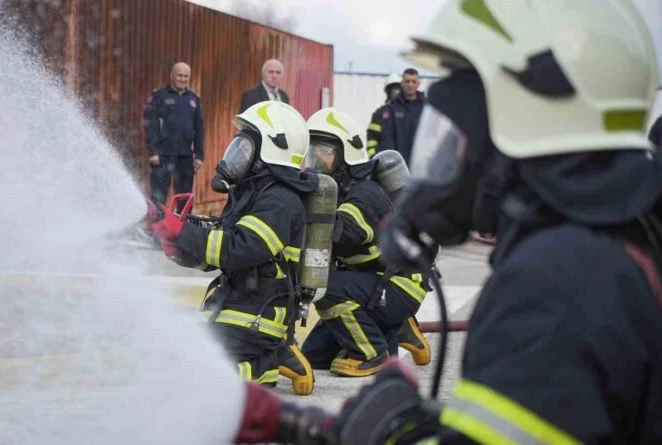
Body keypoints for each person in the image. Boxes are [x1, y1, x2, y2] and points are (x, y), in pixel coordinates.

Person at [228, 1, 662, 444]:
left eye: (459, 126)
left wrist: (388, 432)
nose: (450, 151)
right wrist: (309, 428)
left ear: (523, 126)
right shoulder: (615, 243)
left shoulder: (555, 284)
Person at [146, 101, 321, 392]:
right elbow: (220, 252)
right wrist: (178, 246)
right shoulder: (253, 194)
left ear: (269, 150)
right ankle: (272, 354)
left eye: (244, 146)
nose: (236, 152)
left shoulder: (280, 201)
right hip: (235, 304)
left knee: (192, 374)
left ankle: (264, 366)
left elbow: (238, 248)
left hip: (258, 314)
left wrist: (179, 231)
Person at [298, 107, 432, 377]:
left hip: (398, 285)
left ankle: (372, 353)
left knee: (324, 287)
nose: (316, 159)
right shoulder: (340, 187)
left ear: (345, 153)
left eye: (323, 151)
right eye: (312, 151)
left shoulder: (363, 193)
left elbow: (344, 233)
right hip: (375, 281)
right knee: (314, 356)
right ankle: (397, 327)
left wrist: (297, 213)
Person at [143, 62, 204, 212]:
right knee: (159, 197)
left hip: (185, 156)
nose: (182, 79)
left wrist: (199, 155)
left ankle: (184, 228)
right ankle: (156, 228)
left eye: (186, 76)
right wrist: (152, 152)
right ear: (172, 75)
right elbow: (150, 125)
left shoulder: (193, 99)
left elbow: (199, 128)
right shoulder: (159, 96)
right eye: (179, 75)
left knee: (184, 197)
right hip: (163, 155)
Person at [379, 68, 426, 165]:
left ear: (418, 83)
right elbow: (388, 137)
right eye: (407, 81)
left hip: (420, 164)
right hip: (399, 165)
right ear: (402, 83)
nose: (410, 85)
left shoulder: (426, 107)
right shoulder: (392, 108)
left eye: (414, 81)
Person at [366, 73, 402, 157]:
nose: (395, 92)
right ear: (388, 92)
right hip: (385, 162)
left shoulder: (408, 112)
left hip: (405, 163)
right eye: (392, 89)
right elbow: (371, 138)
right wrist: (374, 158)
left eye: (398, 89)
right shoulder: (379, 114)